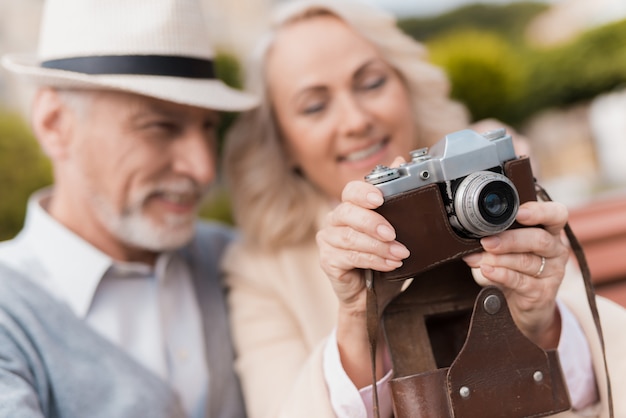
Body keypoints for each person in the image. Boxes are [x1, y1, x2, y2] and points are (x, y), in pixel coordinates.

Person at [222, 1, 625, 417]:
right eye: (314, 106)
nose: (356, 121)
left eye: (371, 83)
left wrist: (542, 321)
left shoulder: (486, 189)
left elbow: (611, 369)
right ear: (282, 143)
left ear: (408, 88)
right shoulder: (262, 269)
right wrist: (358, 323)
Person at [0, 0, 258, 416]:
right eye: (160, 126)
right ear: (54, 124)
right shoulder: (8, 313)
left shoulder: (238, 260)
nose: (203, 167)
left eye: (209, 126)